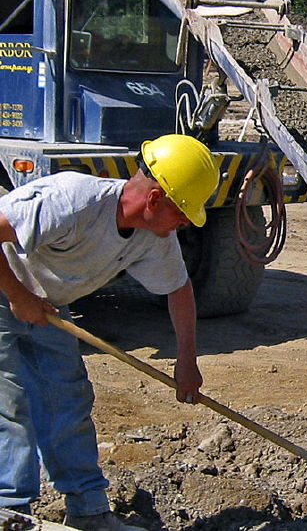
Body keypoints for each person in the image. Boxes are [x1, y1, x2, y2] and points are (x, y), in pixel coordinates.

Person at [0, 134, 220, 531]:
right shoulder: (72, 200)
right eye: (183, 212)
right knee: (10, 404)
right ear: (154, 200)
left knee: (68, 398)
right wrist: (17, 297)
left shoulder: (155, 236)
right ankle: (10, 513)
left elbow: (178, 289)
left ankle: (88, 512)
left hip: (46, 304)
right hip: (6, 290)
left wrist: (186, 360)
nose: (186, 222)